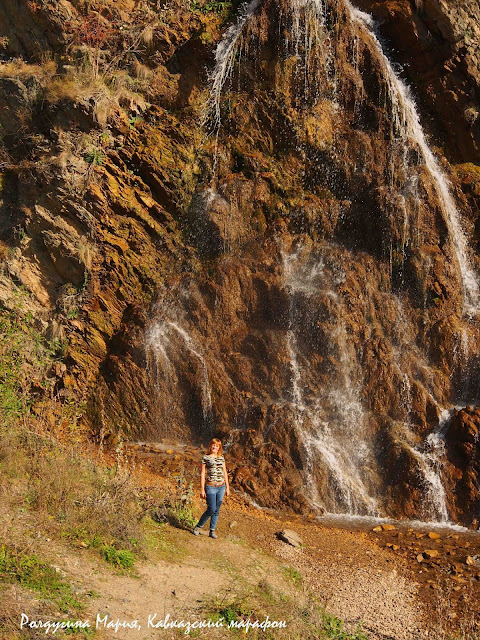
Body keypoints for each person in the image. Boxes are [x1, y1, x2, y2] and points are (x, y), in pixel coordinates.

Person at [193, 438, 230, 539]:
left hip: (221, 487)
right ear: (210, 446)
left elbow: (225, 472)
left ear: (219, 448)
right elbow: (202, 473)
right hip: (210, 487)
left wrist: (227, 487)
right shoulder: (206, 458)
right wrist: (202, 489)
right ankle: (198, 526)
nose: (215, 447)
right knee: (211, 509)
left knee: (217, 510)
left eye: (217, 446)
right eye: (213, 445)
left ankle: (212, 531)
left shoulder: (221, 458)